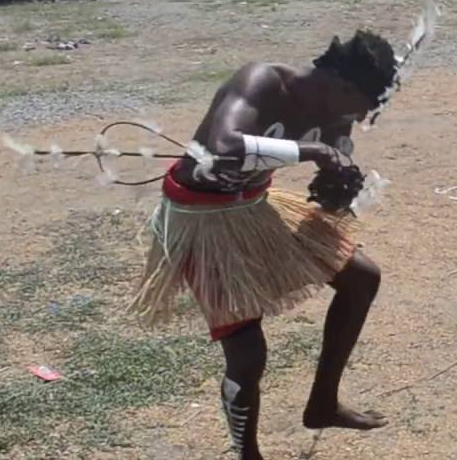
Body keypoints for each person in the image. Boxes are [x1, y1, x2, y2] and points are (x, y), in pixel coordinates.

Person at [132, 30, 400, 459]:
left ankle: (323, 403)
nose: (361, 117)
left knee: (361, 278)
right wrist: (313, 151)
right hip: (200, 216)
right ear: (343, 86)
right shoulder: (262, 81)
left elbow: (329, 189)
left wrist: (342, 189)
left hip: (255, 204)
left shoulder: (338, 115)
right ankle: (248, 454)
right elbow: (222, 146)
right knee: (248, 355)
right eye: (362, 106)